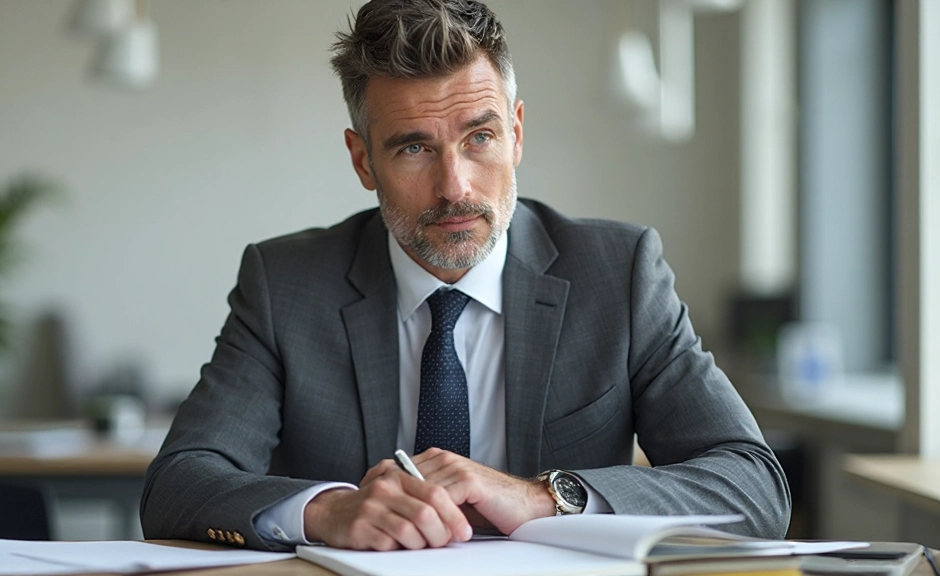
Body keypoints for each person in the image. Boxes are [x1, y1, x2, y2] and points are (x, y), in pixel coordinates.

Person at [140, 0, 790, 552]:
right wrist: (328, 511)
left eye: (479, 138)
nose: (455, 187)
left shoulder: (616, 274)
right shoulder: (285, 284)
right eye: (414, 147)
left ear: (516, 133)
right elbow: (179, 484)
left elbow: (753, 485)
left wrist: (545, 496)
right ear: (363, 160)